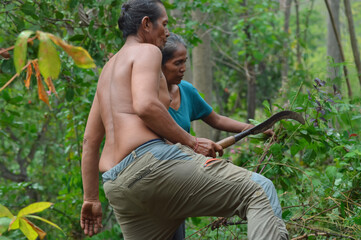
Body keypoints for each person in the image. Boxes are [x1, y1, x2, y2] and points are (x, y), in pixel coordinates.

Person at [80, 1, 289, 239]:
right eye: (164, 24)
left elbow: (89, 141)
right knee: (259, 190)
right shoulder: (147, 51)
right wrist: (192, 142)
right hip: (151, 166)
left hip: (117, 185)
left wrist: (91, 198)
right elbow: (145, 105)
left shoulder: (107, 71)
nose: (167, 32)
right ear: (146, 24)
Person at [162, 33, 276, 240]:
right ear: (159, 65)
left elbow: (216, 119)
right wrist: (193, 145)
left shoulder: (186, 91)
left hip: (182, 178)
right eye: (177, 63)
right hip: (159, 178)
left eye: (185, 62)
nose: (183, 68)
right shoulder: (148, 99)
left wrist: (252, 128)